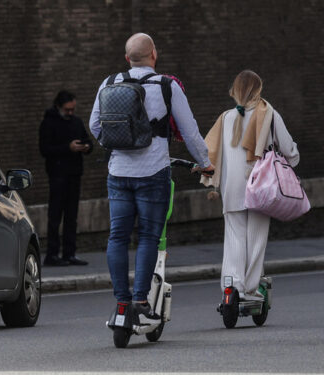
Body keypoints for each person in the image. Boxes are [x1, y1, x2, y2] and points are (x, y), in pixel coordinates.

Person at [89, 33, 214, 319]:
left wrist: (117, 144)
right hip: (153, 172)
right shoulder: (167, 86)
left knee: (117, 237)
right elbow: (191, 132)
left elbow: (95, 125)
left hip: (118, 173)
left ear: (126, 58)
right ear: (154, 55)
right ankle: (140, 303)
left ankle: (121, 303)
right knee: (148, 236)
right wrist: (205, 163)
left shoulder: (109, 83)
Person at [201, 70, 299, 300]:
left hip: (231, 187)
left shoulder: (225, 118)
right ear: (259, 89)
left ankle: (233, 287)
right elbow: (287, 147)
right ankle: (251, 289)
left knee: (234, 238)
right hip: (260, 186)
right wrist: (293, 160)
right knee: (256, 240)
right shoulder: (269, 113)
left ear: (234, 91)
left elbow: (212, 151)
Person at [39, 90, 93, 267]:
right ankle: (52, 254)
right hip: (57, 175)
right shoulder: (48, 123)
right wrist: (67, 148)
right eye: (67, 109)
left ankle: (70, 253)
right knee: (55, 216)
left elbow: (88, 141)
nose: (70, 113)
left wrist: (86, 147)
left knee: (72, 216)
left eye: (72, 109)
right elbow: (45, 149)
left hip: (74, 173)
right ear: (59, 106)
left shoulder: (76, 122)